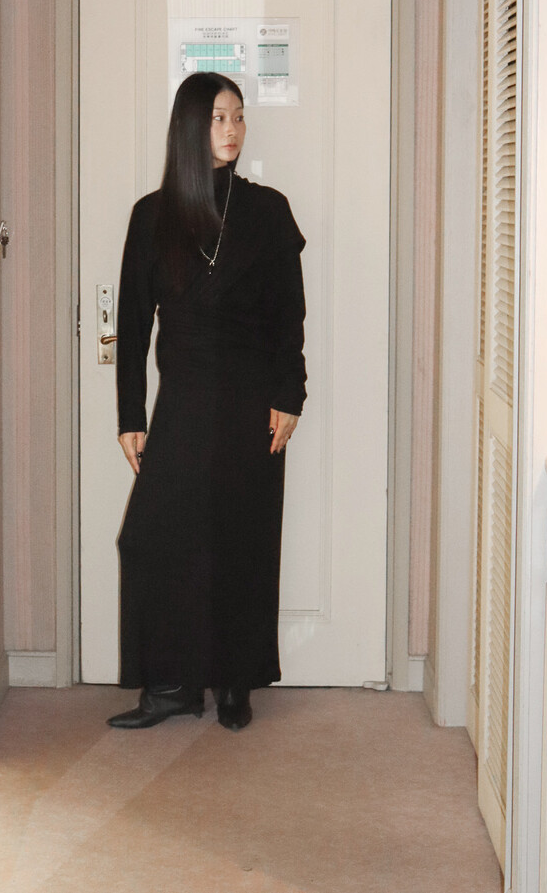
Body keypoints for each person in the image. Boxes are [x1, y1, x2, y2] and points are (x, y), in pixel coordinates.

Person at [108, 71, 306, 732]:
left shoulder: (268, 212)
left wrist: (291, 393)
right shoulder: (152, 216)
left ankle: (235, 679)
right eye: (219, 117)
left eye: (239, 116)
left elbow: (289, 317)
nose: (233, 129)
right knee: (151, 540)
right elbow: (132, 323)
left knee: (242, 540)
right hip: (184, 402)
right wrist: (130, 414)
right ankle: (172, 685)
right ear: (191, 127)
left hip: (253, 403)